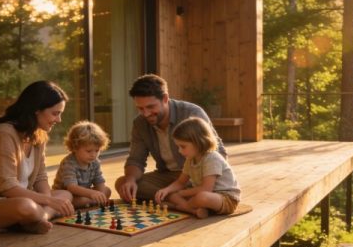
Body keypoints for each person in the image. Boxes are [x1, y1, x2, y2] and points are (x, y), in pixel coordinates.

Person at [0, 80, 74, 234]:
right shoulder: (3, 134)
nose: (59, 120)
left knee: (65, 194)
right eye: (55, 113)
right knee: (25, 207)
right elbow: (6, 188)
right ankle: (36, 216)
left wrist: (48, 199)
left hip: (22, 197)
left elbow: (40, 177)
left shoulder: (39, 134)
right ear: (36, 110)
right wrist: (49, 202)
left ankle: (39, 218)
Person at [115, 74, 227, 202]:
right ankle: (176, 198)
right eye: (140, 108)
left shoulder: (191, 113)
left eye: (151, 107)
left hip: (196, 175)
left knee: (203, 191)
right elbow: (136, 159)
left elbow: (218, 152)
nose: (145, 114)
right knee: (123, 183)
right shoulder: (140, 123)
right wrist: (130, 181)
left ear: (165, 99)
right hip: (167, 176)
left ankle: (171, 199)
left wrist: (202, 180)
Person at [154, 117, 240, 219]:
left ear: (198, 142)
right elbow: (181, 182)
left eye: (183, 146)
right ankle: (194, 210)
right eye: (178, 147)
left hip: (225, 199)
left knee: (202, 197)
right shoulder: (190, 159)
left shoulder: (212, 158)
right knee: (172, 194)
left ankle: (182, 207)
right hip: (205, 195)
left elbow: (206, 188)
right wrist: (167, 190)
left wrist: (182, 193)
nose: (179, 151)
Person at [52, 120, 112, 207]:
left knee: (107, 190)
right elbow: (72, 187)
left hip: (84, 193)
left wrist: (101, 195)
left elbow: (99, 181)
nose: (93, 155)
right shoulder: (69, 163)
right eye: (89, 151)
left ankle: (90, 202)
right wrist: (91, 193)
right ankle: (90, 202)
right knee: (76, 200)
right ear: (75, 147)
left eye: (97, 150)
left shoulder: (95, 162)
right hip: (68, 194)